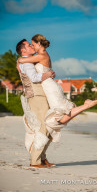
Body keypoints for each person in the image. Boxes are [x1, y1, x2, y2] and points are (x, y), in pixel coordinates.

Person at [17, 34, 97, 142]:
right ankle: (85, 106)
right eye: (30, 45)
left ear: (38, 43)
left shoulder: (41, 55)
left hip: (50, 88)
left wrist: (18, 61)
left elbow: (22, 60)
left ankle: (85, 106)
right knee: (58, 117)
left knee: (58, 119)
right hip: (49, 87)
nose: (32, 47)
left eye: (32, 44)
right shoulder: (40, 55)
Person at [16, 39, 55, 168]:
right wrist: (47, 74)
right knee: (44, 127)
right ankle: (35, 161)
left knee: (47, 127)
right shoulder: (26, 63)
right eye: (28, 45)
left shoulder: (26, 61)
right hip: (36, 96)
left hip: (38, 96)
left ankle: (42, 158)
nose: (32, 46)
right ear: (23, 50)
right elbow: (34, 78)